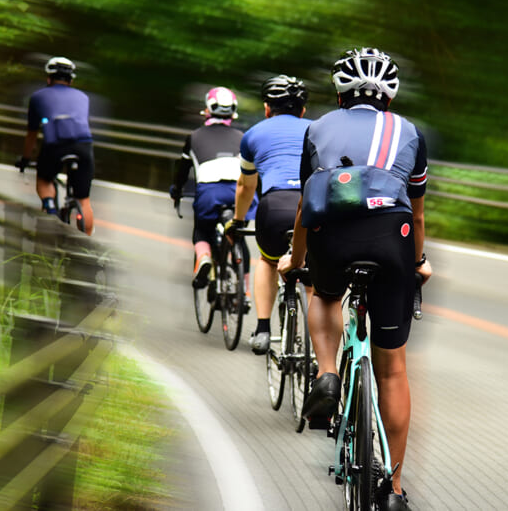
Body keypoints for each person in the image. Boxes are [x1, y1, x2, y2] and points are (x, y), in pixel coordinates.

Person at [278, 47, 432, 511]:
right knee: (394, 368)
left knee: (322, 294)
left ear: (340, 93)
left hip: (333, 236)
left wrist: (293, 258)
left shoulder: (318, 128)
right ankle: (395, 490)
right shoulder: (410, 132)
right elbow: (418, 212)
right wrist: (419, 260)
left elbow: (307, 205)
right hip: (393, 237)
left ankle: (326, 374)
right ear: (391, 95)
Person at [225, 75, 311, 355]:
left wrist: (239, 220)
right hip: (312, 205)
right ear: (303, 111)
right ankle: (312, 338)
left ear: (266, 109)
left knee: (267, 259)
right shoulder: (317, 129)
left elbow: (245, 186)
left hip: (274, 205)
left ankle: (263, 328)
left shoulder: (252, 135)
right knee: (314, 268)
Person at [170, 87, 256, 289]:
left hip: (210, 192)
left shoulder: (195, 136)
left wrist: (177, 191)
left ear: (208, 109)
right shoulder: (243, 137)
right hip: (239, 192)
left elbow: (182, 171)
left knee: (201, 230)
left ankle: (204, 257)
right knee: (238, 236)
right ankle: (245, 293)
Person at [16, 56, 96, 236]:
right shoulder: (83, 97)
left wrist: (26, 158)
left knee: (44, 180)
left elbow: (32, 133)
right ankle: (87, 244)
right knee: (83, 199)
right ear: (71, 80)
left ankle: (50, 209)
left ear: (49, 78)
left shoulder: (38, 97)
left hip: (55, 144)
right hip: (84, 145)